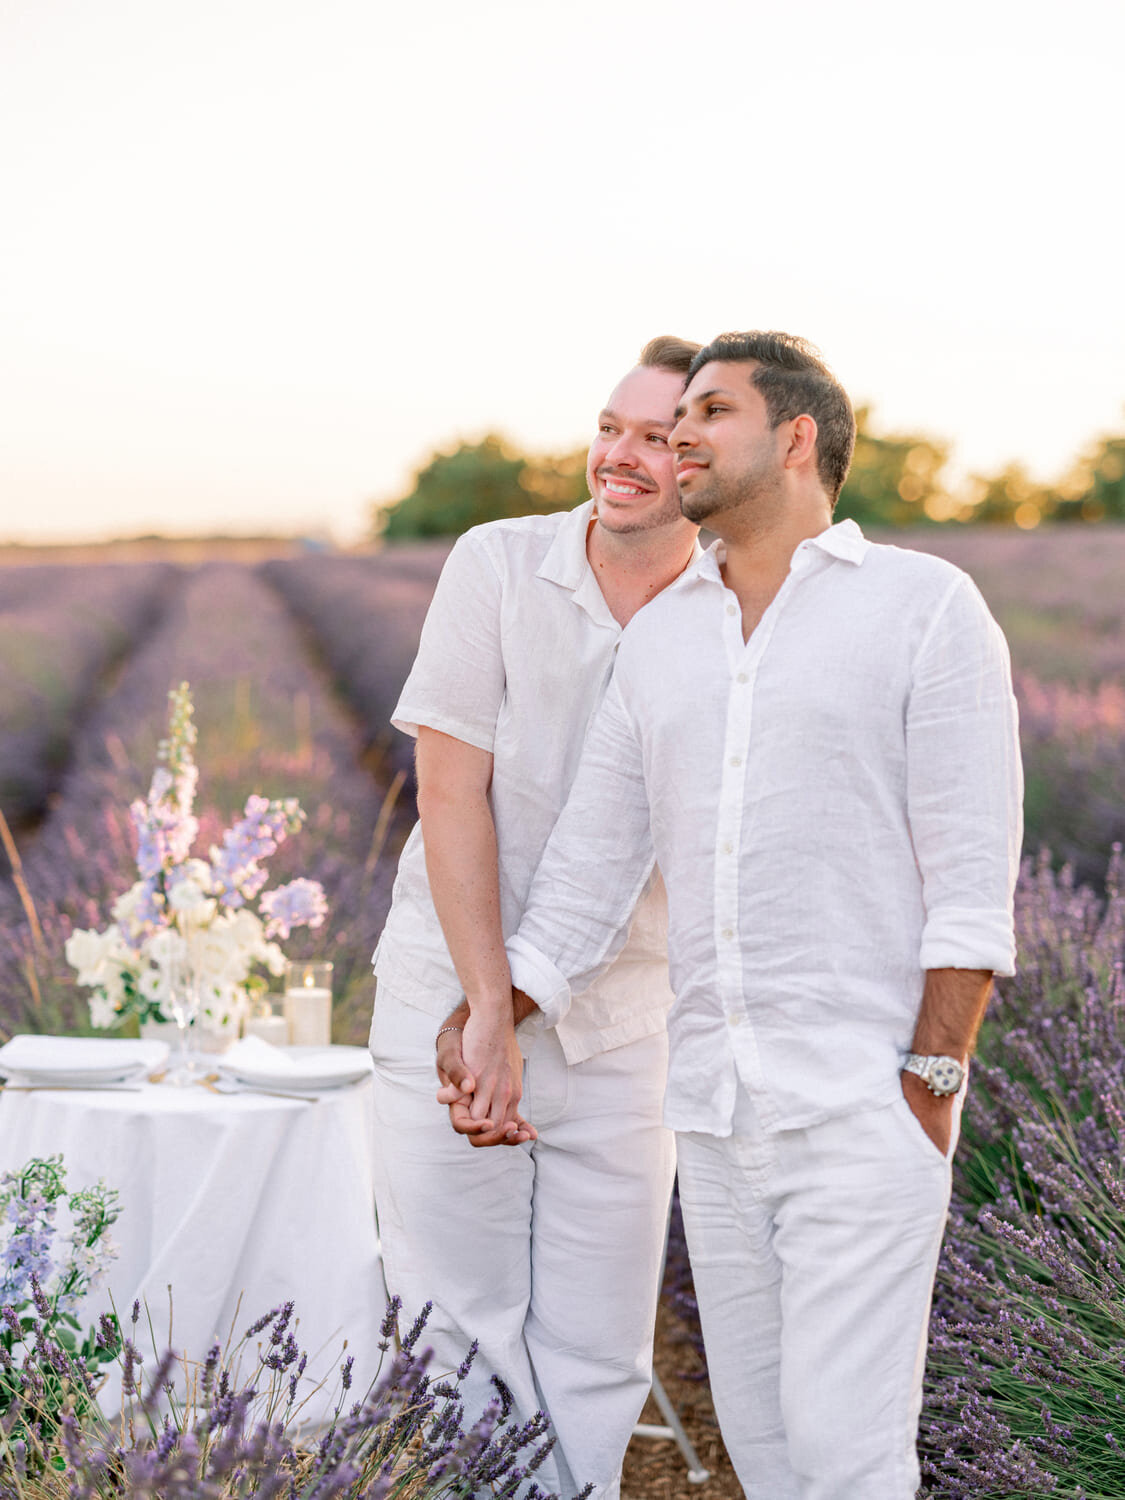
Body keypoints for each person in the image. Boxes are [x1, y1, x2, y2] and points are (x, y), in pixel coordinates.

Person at [454, 331, 1023, 1499]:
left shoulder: (925, 607)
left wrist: (931, 1082)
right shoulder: (662, 640)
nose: (678, 438)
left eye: (710, 413)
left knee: (846, 1459)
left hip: (865, 1103)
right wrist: (491, 1014)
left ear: (798, 436)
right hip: (713, 1112)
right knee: (764, 1455)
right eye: (675, 420)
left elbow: (974, 875)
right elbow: (589, 874)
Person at [368, 336, 703, 1500]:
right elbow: (452, 790)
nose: (619, 454)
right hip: (446, 1003)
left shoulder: (730, 610)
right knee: (454, 1324)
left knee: (598, 1351)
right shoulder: (499, 564)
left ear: (711, 458)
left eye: (659, 438)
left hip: (622, 1023)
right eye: (612, 425)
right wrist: (489, 1019)